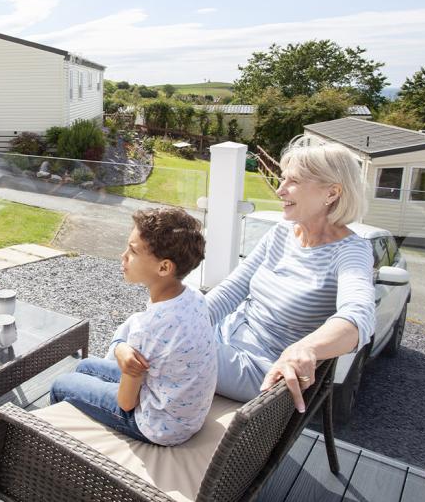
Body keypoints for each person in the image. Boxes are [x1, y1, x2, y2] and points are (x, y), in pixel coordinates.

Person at [206, 138, 375, 412]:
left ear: (331, 193)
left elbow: (358, 319)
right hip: (224, 339)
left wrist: (305, 348)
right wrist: (188, 317)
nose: (280, 190)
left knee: (153, 338)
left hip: (256, 366)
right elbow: (233, 289)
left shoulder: (351, 252)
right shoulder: (282, 232)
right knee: (148, 327)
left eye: (292, 181)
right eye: (282, 179)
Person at [50, 207, 216, 446]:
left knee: (60, 385)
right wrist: (120, 349)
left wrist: (121, 349)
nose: (123, 255)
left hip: (158, 425)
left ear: (164, 267)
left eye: (133, 251)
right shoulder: (195, 298)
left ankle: (60, 450)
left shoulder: (148, 328)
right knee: (85, 366)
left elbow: (126, 403)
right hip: (188, 415)